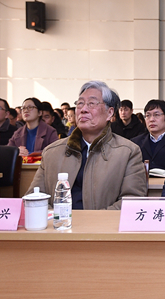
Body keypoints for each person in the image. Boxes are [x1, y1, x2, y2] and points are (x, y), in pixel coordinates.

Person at [28, 81, 147, 210]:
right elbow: (34, 198)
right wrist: (57, 218)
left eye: (91, 103)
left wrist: (91, 220)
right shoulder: (52, 152)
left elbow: (132, 201)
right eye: (80, 103)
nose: (83, 109)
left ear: (109, 113)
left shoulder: (128, 152)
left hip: (104, 223)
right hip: (58, 222)